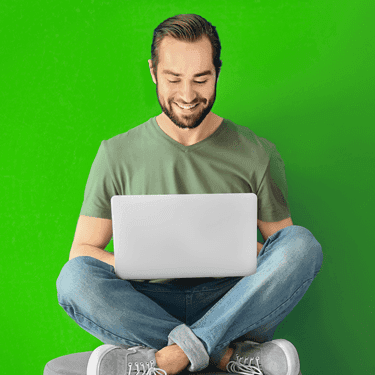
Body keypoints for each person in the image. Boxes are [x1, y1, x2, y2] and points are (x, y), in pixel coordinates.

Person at [56, 14, 323, 375]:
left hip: (232, 302)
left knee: (302, 244)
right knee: (74, 279)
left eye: (201, 78)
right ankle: (227, 357)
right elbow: (82, 251)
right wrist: (142, 259)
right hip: (147, 302)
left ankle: (163, 360)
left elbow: (283, 253)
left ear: (217, 72)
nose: (186, 95)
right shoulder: (116, 153)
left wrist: (227, 252)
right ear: (153, 71)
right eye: (173, 79)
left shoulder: (256, 152)